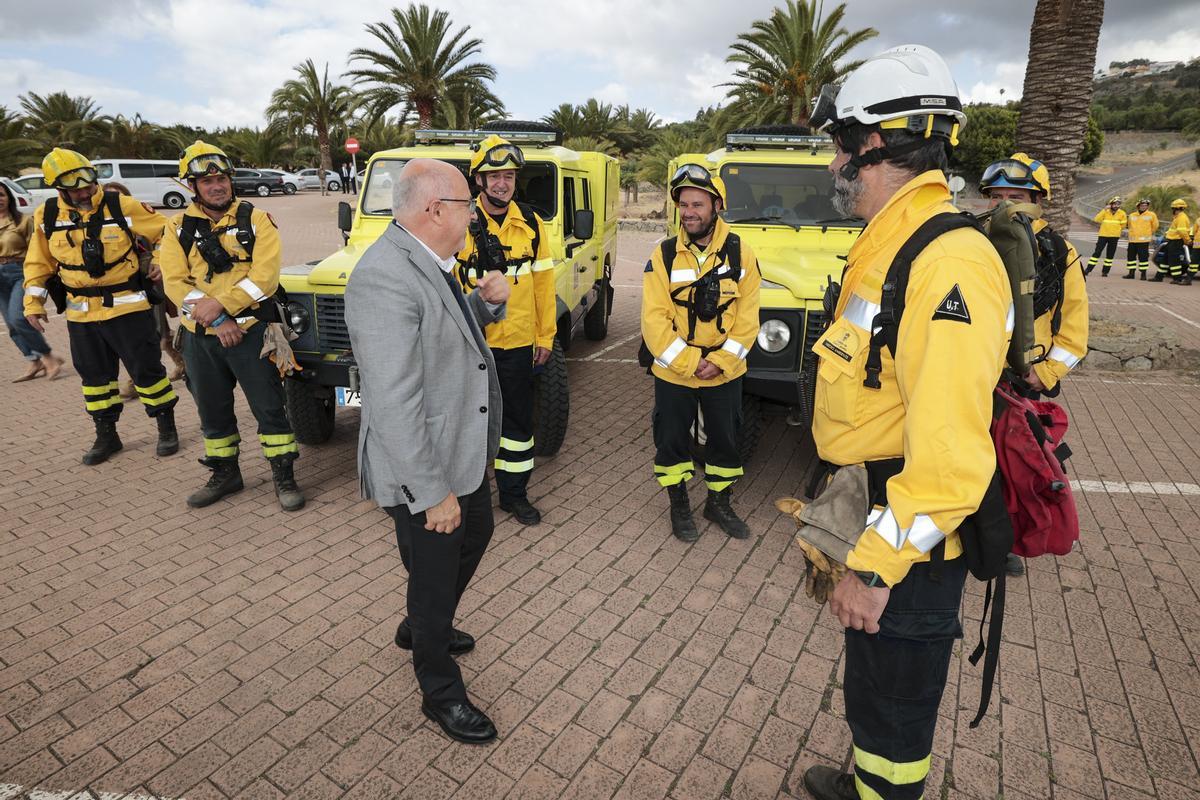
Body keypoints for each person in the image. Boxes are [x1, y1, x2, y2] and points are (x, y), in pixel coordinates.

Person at [801, 45, 1012, 800]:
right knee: (872, 688)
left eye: (839, 147)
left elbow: (951, 459)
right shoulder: (890, 239)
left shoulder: (946, 260)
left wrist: (872, 567)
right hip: (878, 511)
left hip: (909, 542)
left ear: (877, 147)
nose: (832, 166)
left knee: (894, 714)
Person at [344, 159, 510, 745]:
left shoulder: (427, 260)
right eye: (467, 203)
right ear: (435, 210)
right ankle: (440, 690)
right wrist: (431, 491)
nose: (475, 212)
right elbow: (391, 401)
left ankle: (421, 625)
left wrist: (485, 306)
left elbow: (444, 332)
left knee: (478, 534)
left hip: (457, 453)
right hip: (424, 466)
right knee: (435, 579)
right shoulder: (383, 276)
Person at [158, 141, 304, 511]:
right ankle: (226, 473)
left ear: (230, 180)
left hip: (252, 331)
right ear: (192, 186)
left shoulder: (257, 220)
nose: (216, 186)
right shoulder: (175, 227)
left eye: (221, 178)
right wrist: (218, 318)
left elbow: (265, 279)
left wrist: (224, 305)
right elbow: (174, 283)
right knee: (212, 409)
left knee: (270, 408)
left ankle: (284, 476)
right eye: (206, 182)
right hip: (201, 336)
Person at [23, 147, 179, 464]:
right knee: (94, 379)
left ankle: (166, 427)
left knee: (147, 371)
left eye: (88, 182)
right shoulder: (48, 215)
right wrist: (33, 304)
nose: (85, 190)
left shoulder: (119, 204)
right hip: (81, 314)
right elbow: (38, 263)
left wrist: (161, 260)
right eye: (75, 186)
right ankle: (107, 436)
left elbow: (167, 230)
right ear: (58, 188)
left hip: (128, 309)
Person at [979, 153, 1088, 577]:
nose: (1005, 205)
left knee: (1013, 467)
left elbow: (1075, 332)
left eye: (1017, 196)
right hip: (974, 374)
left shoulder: (1060, 252)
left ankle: (1003, 541)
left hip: (1022, 383)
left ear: (1038, 200)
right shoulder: (973, 240)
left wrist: (1043, 374)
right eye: (997, 196)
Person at [641, 163, 761, 543]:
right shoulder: (662, 255)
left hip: (724, 373)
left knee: (726, 440)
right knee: (672, 440)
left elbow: (748, 320)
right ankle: (679, 504)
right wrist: (693, 363)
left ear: (716, 206)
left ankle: (718, 503)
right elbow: (654, 321)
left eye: (697, 204)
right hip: (675, 372)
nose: (689, 212)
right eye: (683, 204)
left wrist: (721, 362)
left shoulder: (742, 254)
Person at [455, 134, 555, 525]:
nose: (502, 183)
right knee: (466, 423)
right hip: (470, 344)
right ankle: (465, 496)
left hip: (517, 345)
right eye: (493, 175)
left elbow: (544, 286)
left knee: (516, 426)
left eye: (509, 176)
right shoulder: (458, 220)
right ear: (477, 180)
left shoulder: (531, 224)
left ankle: (514, 495)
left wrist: (546, 337)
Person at [103, 181, 185, 399]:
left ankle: (136, 380)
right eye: (110, 197)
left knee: (153, 331)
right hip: (121, 289)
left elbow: (165, 233)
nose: (115, 202)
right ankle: (183, 362)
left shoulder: (138, 216)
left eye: (120, 197)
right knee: (157, 331)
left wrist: (158, 261)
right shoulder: (98, 225)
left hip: (147, 280)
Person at [0, 180, 65, 381]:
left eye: (1, 195)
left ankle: (49, 357)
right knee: (11, 323)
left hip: (20, 271)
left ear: (9, 198)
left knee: (19, 317)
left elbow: (37, 250)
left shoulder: (23, 221)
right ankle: (34, 360)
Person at [1086, 196, 1126, 277]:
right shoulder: (1105, 212)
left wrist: (1116, 230)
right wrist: (1104, 210)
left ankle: (1105, 272)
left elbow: (1123, 226)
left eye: (1118, 204)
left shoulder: (1122, 213)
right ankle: (1088, 269)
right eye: (1115, 204)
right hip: (1103, 235)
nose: (1116, 206)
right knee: (1097, 253)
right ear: (1111, 204)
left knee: (1110, 255)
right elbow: (1096, 219)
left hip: (1114, 237)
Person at [1125, 198, 1158, 280]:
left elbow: (1155, 226)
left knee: (1143, 258)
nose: (1144, 207)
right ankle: (1131, 273)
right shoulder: (1132, 215)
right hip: (1132, 240)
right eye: (1142, 205)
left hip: (1144, 241)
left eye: (1146, 206)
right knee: (1131, 257)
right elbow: (1129, 226)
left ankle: (1143, 275)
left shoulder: (1151, 215)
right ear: (1138, 206)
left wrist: (1147, 233)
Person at [1164, 198, 1192, 285]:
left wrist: (1188, 241)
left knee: (1175, 261)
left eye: (1174, 208)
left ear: (1177, 209)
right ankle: (1161, 276)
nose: (1173, 210)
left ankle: (1177, 278)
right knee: (1170, 259)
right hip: (1172, 240)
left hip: (1176, 241)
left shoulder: (1181, 218)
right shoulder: (1178, 217)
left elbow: (1182, 231)